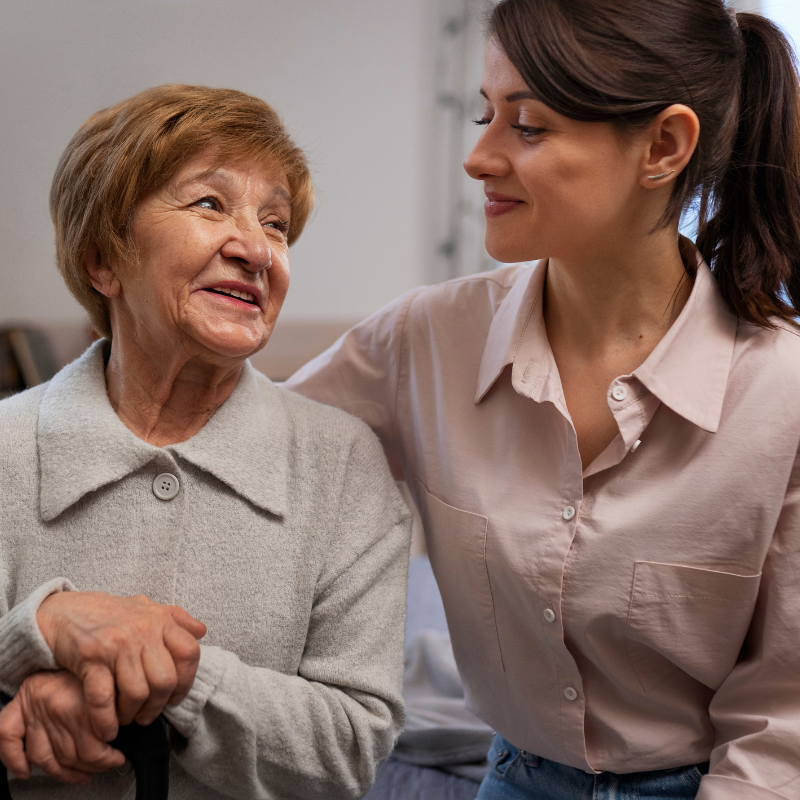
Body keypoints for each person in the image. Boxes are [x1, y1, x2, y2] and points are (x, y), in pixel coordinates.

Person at [285, 1, 800, 798]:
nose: (478, 158)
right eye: (484, 115)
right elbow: (247, 462)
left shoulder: (783, 393)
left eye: (527, 128)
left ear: (663, 146)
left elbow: (782, 723)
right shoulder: (426, 339)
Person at [0, 84, 411, 799]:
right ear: (104, 258)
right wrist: (41, 625)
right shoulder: (6, 448)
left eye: (277, 224)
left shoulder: (341, 462)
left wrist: (170, 679)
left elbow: (351, 747)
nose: (257, 249)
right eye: (209, 204)